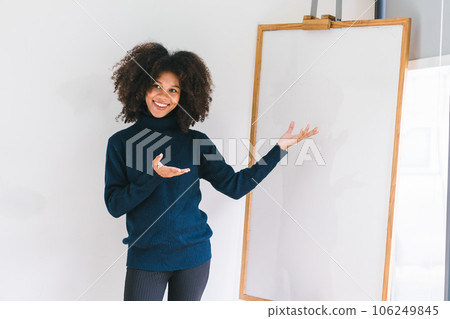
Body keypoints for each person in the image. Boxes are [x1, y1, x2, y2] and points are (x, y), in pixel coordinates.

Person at [104, 42, 319, 301]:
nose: (163, 96)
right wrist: (152, 177)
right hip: (146, 258)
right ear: (141, 87)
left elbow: (235, 187)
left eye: (173, 90)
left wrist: (279, 148)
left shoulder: (196, 142)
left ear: (185, 96)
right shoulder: (121, 143)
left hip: (194, 258)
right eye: (157, 86)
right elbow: (115, 206)